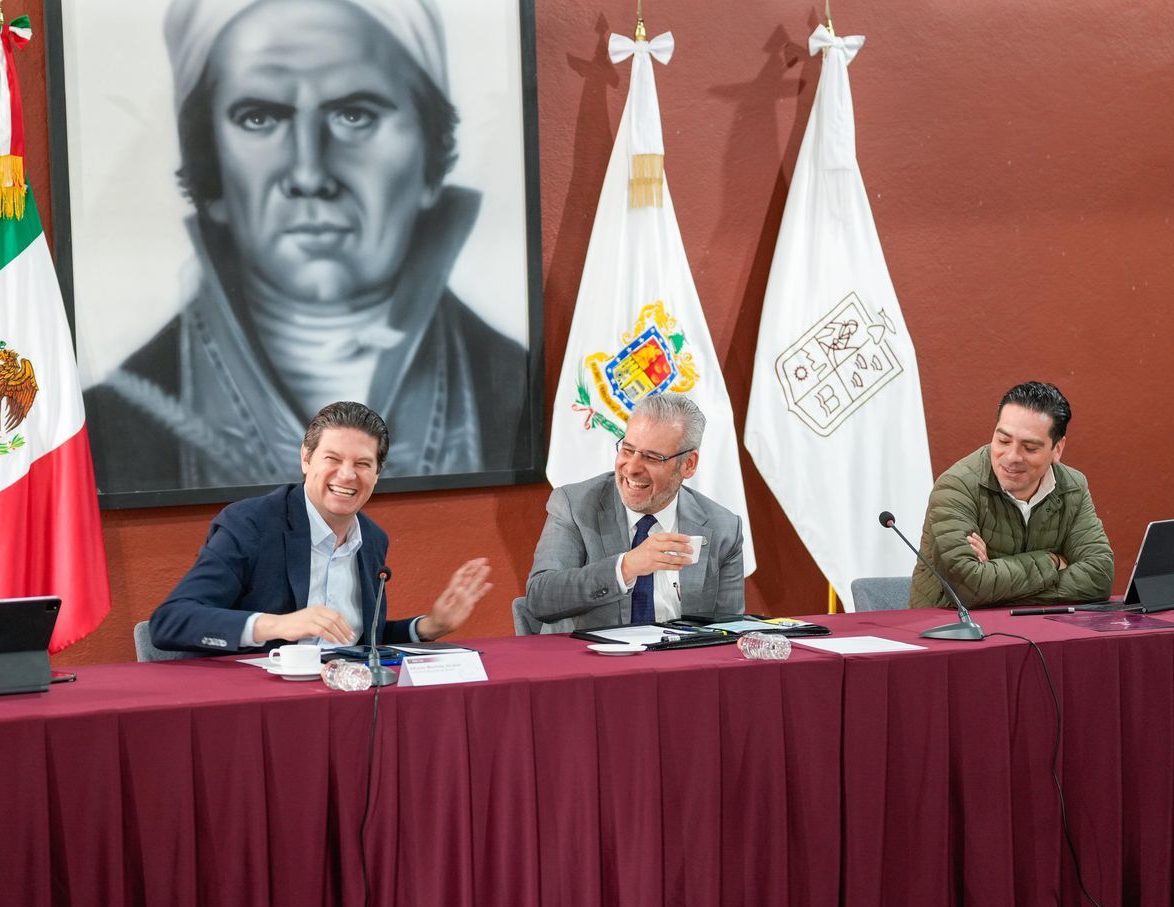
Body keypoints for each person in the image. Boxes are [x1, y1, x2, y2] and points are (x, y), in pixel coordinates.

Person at [83, 0, 529, 494]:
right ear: (208, 163)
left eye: (355, 115)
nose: (309, 174)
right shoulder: (116, 423)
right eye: (259, 118)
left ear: (430, 155)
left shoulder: (519, 393)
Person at [149, 401, 492, 652]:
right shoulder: (251, 524)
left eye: (362, 463)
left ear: (377, 474)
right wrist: (278, 624)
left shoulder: (371, 540)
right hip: (253, 708)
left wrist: (430, 627)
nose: (347, 475)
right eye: (333, 459)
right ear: (306, 458)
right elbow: (171, 621)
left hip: (342, 703)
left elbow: (355, 640)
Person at [525, 393, 745, 633]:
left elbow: (729, 630)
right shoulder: (575, 505)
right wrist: (626, 567)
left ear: (688, 464)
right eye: (628, 450)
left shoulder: (723, 527)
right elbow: (541, 598)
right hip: (596, 665)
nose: (631, 468)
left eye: (652, 457)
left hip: (681, 664)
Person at [909, 381, 1113, 609]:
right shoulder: (957, 486)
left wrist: (995, 579)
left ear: (1057, 449)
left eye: (1030, 448)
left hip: (1039, 630)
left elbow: (1099, 576)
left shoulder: (1073, 487)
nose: (1012, 457)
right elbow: (971, 586)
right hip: (952, 632)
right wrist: (1053, 561)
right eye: (1003, 441)